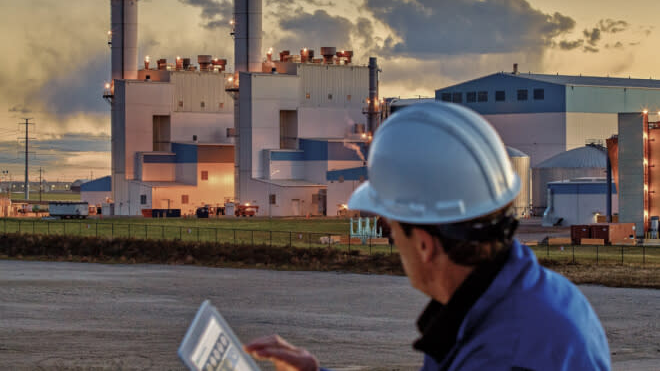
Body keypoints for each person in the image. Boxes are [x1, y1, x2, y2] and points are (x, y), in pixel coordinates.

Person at [244, 103, 611, 371]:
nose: (392, 243)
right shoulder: (538, 294)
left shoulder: (503, 356)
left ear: (423, 244)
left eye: (391, 229)